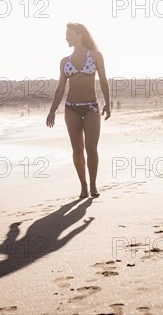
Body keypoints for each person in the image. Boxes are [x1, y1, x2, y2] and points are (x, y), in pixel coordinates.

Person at [46, 23, 111, 199]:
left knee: (91, 148)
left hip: (91, 107)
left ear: (79, 35)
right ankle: (83, 187)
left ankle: (93, 185)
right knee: (77, 149)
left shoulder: (96, 56)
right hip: (71, 109)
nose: (66, 38)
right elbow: (60, 88)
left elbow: (103, 80)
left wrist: (108, 103)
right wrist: (52, 111)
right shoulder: (64, 62)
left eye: (69, 34)